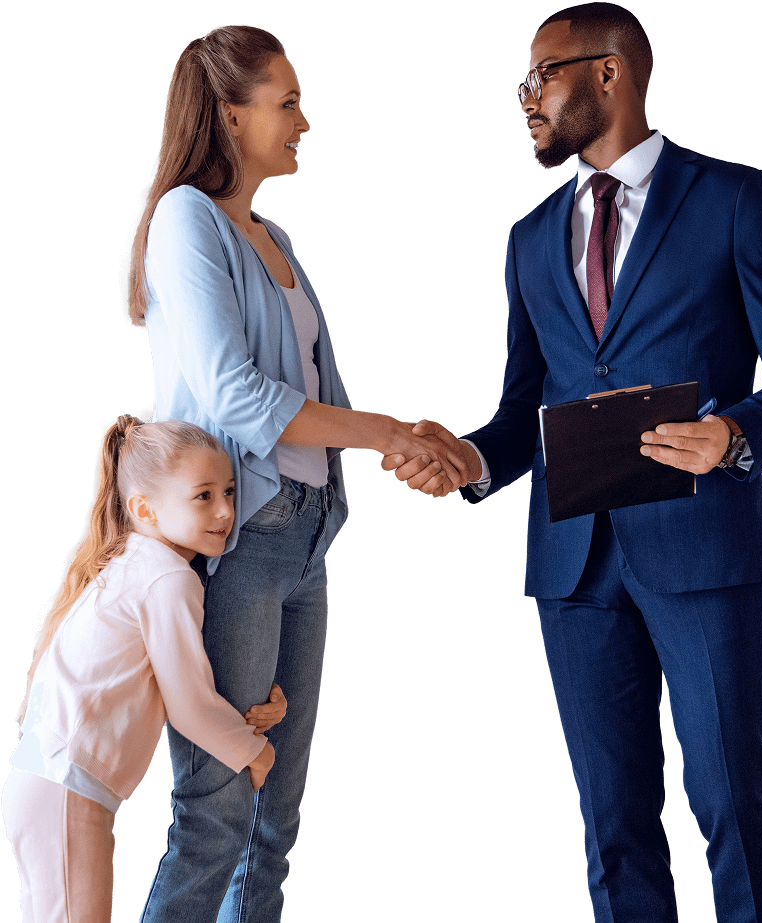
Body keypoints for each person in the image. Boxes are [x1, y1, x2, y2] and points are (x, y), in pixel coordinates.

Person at [383, 4, 762, 921]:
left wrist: (737, 431)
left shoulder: (732, 196)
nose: (526, 98)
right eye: (523, 81)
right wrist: (469, 458)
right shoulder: (525, 238)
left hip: (702, 544)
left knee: (729, 800)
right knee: (611, 821)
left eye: (541, 75)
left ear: (608, 74)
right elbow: (525, 407)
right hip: (572, 564)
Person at [119, 24, 468, 922]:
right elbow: (239, 397)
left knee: (277, 819)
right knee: (218, 813)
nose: (304, 121)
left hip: (308, 529)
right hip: (240, 538)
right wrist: (389, 428)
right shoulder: (188, 219)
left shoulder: (270, 233)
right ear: (231, 116)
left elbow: (315, 388)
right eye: (288, 102)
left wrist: (402, 440)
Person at [2, 415, 288, 923]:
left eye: (228, 491)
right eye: (203, 496)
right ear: (143, 509)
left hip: (49, 783)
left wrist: (256, 708)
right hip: (65, 789)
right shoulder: (166, 579)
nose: (226, 510)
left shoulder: (133, 563)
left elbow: (166, 686)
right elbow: (189, 705)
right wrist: (255, 753)